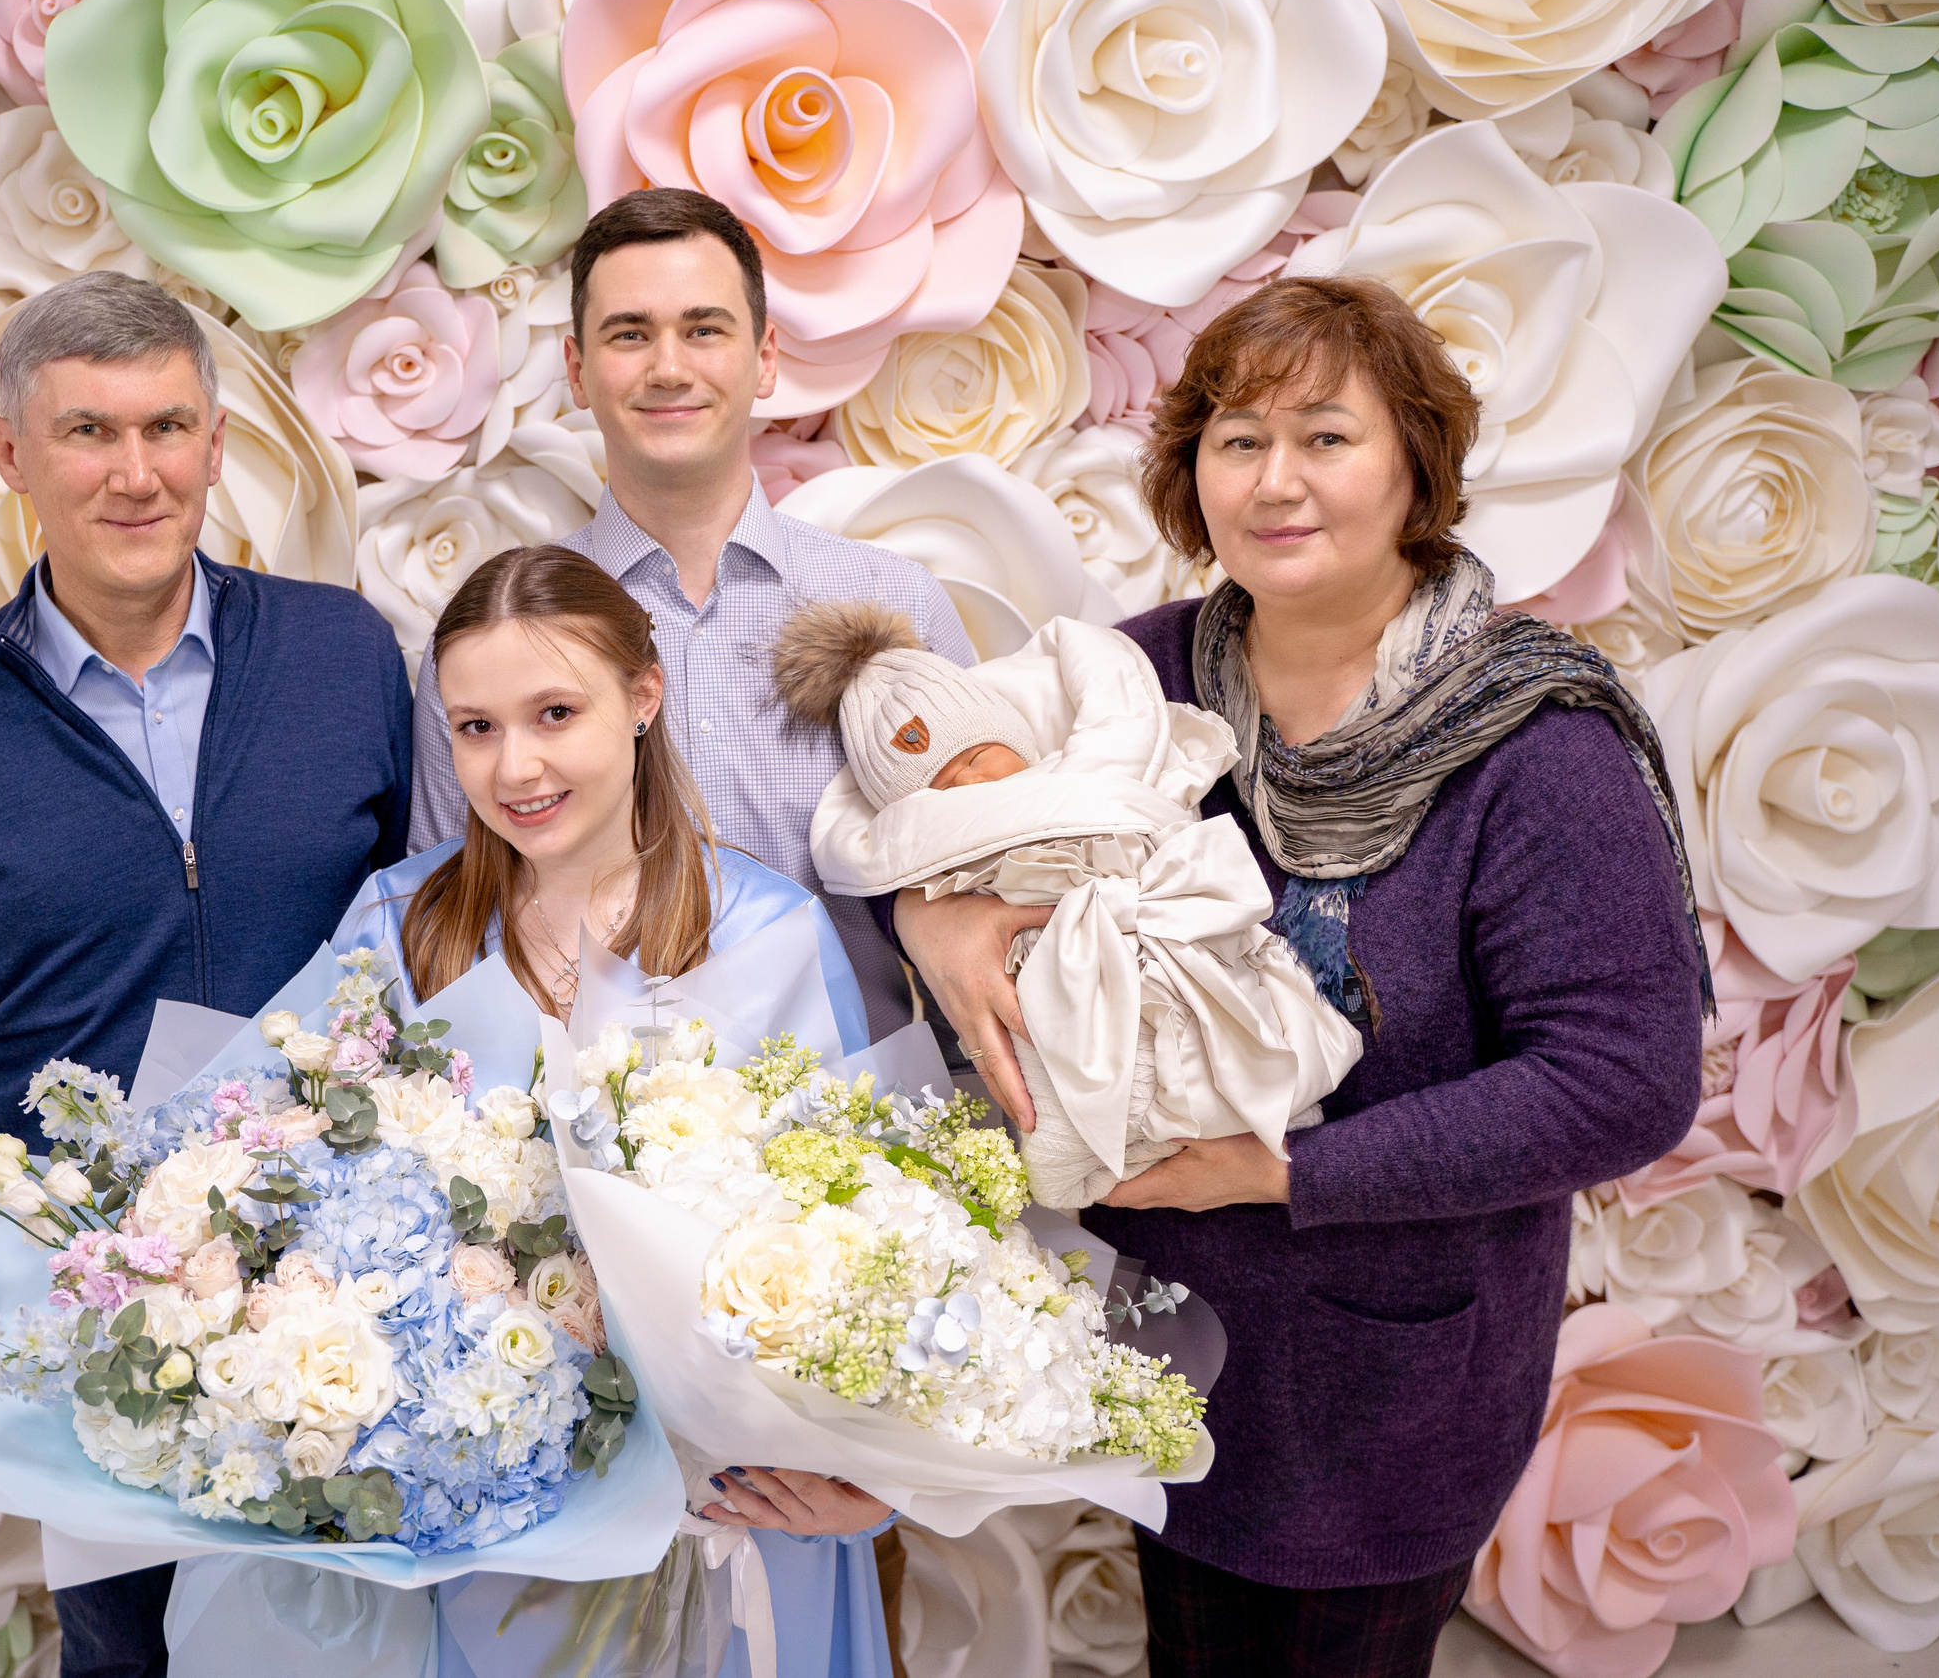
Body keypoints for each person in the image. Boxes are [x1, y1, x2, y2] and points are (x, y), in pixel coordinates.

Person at [888, 275, 1706, 1677]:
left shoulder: (1531, 744)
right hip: (1167, 1342)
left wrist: (1269, 1169)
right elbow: (937, 809)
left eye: (1327, 436)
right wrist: (932, 910)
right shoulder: (1131, 686)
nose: (1277, 480)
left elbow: (1621, 1082)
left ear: (1415, 468)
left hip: (1392, 1389)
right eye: (1237, 437)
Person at [0, 271, 412, 1678]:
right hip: (94, 1338)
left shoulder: (346, 657)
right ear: (11, 457)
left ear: (219, 444)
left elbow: (432, 945)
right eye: (89, 431)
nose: (136, 472)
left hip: (369, 1300)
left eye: (167, 427)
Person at [340, 543, 893, 1678]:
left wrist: (876, 1482)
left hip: (742, 1512)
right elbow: (322, 1216)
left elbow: (877, 1235)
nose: (516, 766)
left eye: (554, 712)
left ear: (642, 698)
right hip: (490, 1530)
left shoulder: (768, 930)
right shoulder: (393, 930)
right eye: (475, 726)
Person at [407, 187, 973, 1040]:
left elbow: (981, 884)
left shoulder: (897, 605)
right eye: (629, 333)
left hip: (857, 1131)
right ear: (576, 369)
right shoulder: (494, 640)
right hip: (573, 1139)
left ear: (766, 357)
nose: (668, 366)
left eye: (704, 329)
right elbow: (451, 907)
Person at [775, 601, 1356, 1210]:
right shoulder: (1164, 645)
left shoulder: (1099, 754)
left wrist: (1291, 1176)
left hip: (1158, 921)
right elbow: (904, 864)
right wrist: (917, 911)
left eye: (977, 757)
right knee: (1058, 1087)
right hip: (1041, 969)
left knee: (1228, 1030)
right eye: (942, 789)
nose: (972, 788)